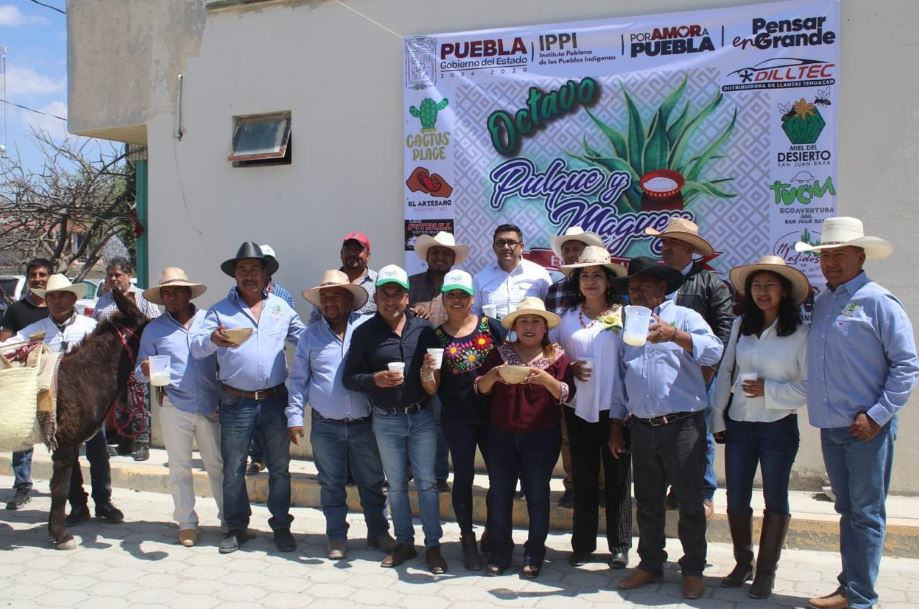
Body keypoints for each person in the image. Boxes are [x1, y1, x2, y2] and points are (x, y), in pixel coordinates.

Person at [795, 217, 919, 609]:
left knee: (865, 513)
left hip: (867, 428)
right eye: (825, 256)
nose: (830, 263)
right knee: (848, 510)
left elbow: (906, 365)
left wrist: (879, 414)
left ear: (860, 256)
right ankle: (849, 586)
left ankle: (862, 598)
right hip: (832, 426)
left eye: (839, 256)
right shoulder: (825, 300)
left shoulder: (878, 301)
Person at [610, 257, 723, 600]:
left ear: (662, 288)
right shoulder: (626, 324)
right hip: (643, 428)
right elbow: (620, 381)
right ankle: (650, 564)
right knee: (647, 502)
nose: (637, 292)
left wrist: (675, 335)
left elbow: (715, 351)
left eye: (644, 285)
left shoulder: (685, 317)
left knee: (689, 503)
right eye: (632, 287)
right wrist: (616, 425)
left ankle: (692, 569)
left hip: (683, 426)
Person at [191, 242, 305, 554]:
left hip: (274, 400)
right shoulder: (219, 311)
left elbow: (306, 340)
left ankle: (281, 526)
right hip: (235, 401)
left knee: (280, 468)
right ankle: (236, 527)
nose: (249, 275)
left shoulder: (281, 309)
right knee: (234, 468)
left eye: (256, 269)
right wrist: (213, 339)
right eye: (243, 270)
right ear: (235, 275)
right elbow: (197, 347)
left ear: (266, 273)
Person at [711, 256, 810, 598]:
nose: (762, 292)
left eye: (770, 286)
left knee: (775, 497)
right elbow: (726, 372)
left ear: (784, 291)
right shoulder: (742, 326)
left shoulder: (800, 333)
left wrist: (771, 391)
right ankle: (743, 562)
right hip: (739, 424)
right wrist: (718, 415)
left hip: (778, 426)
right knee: (736, 498)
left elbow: (808, 386)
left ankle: (766, 572)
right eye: (757, 285)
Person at [342, 264, 446, 574]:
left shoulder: (424, 330)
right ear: (376, 297)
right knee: (397, 485)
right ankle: (404, 543)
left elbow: (436, 374)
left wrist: (431, 371)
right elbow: (349, 378)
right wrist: (375, 379)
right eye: (385, 295)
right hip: (386, 420)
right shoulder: (364, 333)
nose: (391, 301)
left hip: (422, 416)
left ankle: (433, 546)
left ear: (406, 297)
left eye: (397, 294)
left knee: (427, 484)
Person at [286, 270, 395, 560]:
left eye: (336, 296)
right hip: (325, 426)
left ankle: (378, 532)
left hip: (365, 425)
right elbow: (298, 380)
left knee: (372, 483)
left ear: (350, 299)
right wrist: (294, 417)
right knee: (330, 483)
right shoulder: (310, 336)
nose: (330, 302)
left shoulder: (369, 328)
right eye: (325, 297)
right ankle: (336, 536)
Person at [6, 275, 124, 525]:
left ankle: (103, 501)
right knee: (64, 456)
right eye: (52, 297)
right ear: (45, 300)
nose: (57, 302)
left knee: (98, 453)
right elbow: (9, 347)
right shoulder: (34, 332)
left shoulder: (90, 327)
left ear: (73, 298)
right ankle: (77, 505)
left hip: (91, 404)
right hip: (56, 407)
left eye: (63, 296)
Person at [474, 297, 575, 578]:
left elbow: (567, 393)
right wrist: (493, 376)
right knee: (500, 495)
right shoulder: (500, 353)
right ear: (515, 326)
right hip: (501, 435)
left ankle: (534, 553)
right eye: (524, 321)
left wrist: (546, 380)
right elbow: (480, 389)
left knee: (538, 495)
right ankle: (500, 552)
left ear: (545, 328)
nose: (529, 327)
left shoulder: (557, 355)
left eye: (535, 322)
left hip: (541, 437)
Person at [646, 217, 734, 519]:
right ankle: (674, 487)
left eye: (671, 242)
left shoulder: (710, 283)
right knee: (669, 434)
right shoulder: (658, 280)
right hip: (663, 370)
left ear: (689, 248)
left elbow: (724, 328)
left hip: (698, 370)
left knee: (699, 432)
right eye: (664, 242)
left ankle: (705, 492)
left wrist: (711, 366)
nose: (665, 247)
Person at [135, 267, 224, 547]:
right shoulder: (153, 330)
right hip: (175, 405)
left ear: (188, 293)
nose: (171, 296)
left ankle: (229, 520)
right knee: (180, 467)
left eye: (176, 290)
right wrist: (145, 370)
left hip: (211, 404)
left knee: (218, 465)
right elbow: (139, 370)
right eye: (166, 292)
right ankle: (186, 523)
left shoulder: (209, 320)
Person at [555, 246, 632, 570]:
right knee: (584, 478)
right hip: (578, 408)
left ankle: (620, 545)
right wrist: (569, 367)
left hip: (616, 411)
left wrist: (623, 413)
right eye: (584, 275)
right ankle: (583, 544)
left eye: (597, 275)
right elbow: (552, 354)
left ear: (609, 280)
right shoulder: (568, 318)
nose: (590, 281)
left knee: (617, 480)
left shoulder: (625, 315)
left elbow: (633, 362)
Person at [433, 269, 504, 570]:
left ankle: (493, 533)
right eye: (452, 295)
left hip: (493, 417)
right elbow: (432, 381)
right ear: (444, 299)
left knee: (499, 480)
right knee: (463, 479)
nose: (457, 300)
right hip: (457, 419)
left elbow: (509, 364)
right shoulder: (434, 335)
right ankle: (467, 538)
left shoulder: (492, 327)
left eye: (463, 294)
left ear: (473, 298)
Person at [545, 227, 605, 509]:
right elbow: (549, 332)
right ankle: (572, 486)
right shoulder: (555, 289)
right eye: (567, 249)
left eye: (576, 249)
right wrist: (564, 365)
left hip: (601, 376)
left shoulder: (611, 299)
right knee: (569, 438)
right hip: (565, 372)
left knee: (604, 437)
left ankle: (602, 487)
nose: (571, 253)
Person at [408, 231, 470, 492]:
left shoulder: (461, 287)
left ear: (453, 258)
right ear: (427, 256)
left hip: (451, 364)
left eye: (446, 253)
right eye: (436, 252)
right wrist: (412, 312)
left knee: (442, 421)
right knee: (414, 420)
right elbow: (396, 313)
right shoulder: (410, 283)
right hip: (414, 361)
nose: (440, 256)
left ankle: (439, 475)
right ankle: (411, 471)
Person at [94, 256, 161, 461]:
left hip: (138, 356)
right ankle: (124, 440)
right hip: (113, 361)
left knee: (139, 399)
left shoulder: (143, 297)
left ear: (129, 275)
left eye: (118, 275)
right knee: (119, 401)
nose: (113, 278)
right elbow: (96, 327)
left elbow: (155, 324)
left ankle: (141, 441)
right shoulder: (104, 301)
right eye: (110, 275)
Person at [1, 258, 52, 510]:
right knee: (23, 434)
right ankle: (22, 486)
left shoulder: (58, 307)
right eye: (34, 275)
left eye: (43, 274)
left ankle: (69, 488)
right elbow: (6, 345)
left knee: (59, 434)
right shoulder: (15, 310)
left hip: (54, 381)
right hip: (25, 382)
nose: (38, 279)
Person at [241, 244, 292, 476]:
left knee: (274, 428)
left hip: (273, 368)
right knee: (252, 425)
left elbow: (293, 330)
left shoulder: (282, 298)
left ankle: (272, 459)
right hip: (243, 382)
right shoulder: (235, 297)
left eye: (261, 266)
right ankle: (257, 457)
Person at [473, 224, 552, 319]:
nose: (506, 247)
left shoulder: (539, 274)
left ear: (521, 247)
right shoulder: (480, 278)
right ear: (494, 247)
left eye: (511, 242)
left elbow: (550, 310)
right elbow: (474, 314)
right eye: (500, 243)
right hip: (493, 334)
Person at [310, 232, 377, 322]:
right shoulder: (330, 282)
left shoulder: (378, 283)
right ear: (341, 253)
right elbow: (315, 321)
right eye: (348, 249)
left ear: (368, 255)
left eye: (358, 249)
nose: (352, 253)